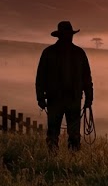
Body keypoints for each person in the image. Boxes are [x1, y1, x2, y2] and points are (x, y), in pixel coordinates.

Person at [35, 21, 94, 151]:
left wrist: (40, 97)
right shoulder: (79, 53)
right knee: (68, 132)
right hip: (71, 99)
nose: (69, 37)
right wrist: (89, 97)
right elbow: (86, 78)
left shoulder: (49, 52)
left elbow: (40, 77)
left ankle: (55, 157)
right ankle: (71, 158)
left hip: (56, 99)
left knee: (55, 131)